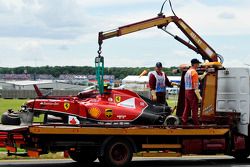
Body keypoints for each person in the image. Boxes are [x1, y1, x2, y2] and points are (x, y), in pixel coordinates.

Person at [181, 58, 207, 125]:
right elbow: (195, 87)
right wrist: (199, 97)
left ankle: (184, 122)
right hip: (192, 92)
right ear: (195, 64)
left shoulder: (188, 71)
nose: (198, 64)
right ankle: (196, 124)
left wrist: (204, 74)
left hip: (187, 91)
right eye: (198, 63)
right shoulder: (194, 73)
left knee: (187, 108)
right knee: (194, 109)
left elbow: (199, 77)